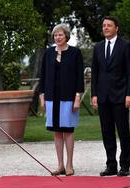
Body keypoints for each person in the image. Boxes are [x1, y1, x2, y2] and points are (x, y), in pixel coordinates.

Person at [91, 16, 130, 177]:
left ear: (116, 28)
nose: (106, 28)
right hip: (103, 96)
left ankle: (125, 165)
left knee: (123, 131)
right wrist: (94, 94)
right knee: (107, 131)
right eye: (104, 25)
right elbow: (95, 73)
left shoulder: (126, 46)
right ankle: (111, 164)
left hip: (120, 95)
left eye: (109, 25)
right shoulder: (98, 47)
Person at [39, 23, 84, 176]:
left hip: (68, 97)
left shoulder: (75, 53)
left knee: (68, 130)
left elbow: (79, 77)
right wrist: (42, 96)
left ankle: (69, 164)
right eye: (55, 35)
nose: (57, 37)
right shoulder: (48, 53)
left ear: (66, 36)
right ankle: (60, 165)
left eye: (60, 34)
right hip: (52, 97)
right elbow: (43, 76)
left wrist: (77, 97)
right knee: (56, 131)